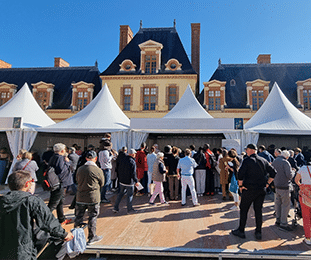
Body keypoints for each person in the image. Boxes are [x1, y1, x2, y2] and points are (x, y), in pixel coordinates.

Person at [0, 170, 73, 259]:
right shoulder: (31, 201)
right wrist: (64, 234)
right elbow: (47, 221)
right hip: (22, 250)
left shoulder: (2, 201)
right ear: (27, 184)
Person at [231, 143, 276, 240]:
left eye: (247, 150)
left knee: (244, 209)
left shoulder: (247, 161)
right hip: (261, 190)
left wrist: (241, 186)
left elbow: (240, 174)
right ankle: (258, 232)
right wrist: (267, 184)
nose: (246, 151)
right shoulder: (263, 160)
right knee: (258, 210)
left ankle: (241, 230)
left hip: (249, 189)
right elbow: (273, 172)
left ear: (249, 150)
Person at [75, 150, 104, 245]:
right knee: (92, 216)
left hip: (80, 197)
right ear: (95, 158)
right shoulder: (98, 170)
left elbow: (76, 180)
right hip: (93, 197)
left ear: (86, 158)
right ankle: (92, 237)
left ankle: (75, 236)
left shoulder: (80, 169)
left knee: (79, 217)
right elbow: (102, 183)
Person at [48, 143, 73, 225]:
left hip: (56, 182)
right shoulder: (60, 158)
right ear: (62, 150)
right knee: (53, 203)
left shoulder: (53, 157)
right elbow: (61, 170)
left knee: (60, 202)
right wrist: (68, 163)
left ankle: (61, 219)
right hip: (59, 183)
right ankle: (44, 221)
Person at [272, 150, 294, 231]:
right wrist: (293, 172)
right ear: (287, 156)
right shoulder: (285, 162)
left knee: (277, 204)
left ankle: (278, 220)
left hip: (277, 185)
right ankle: (283, 223)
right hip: (284, 186)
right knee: (285, 205)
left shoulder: (274, 161)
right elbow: (289, 175)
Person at [113, 149, 139, 214]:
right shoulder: (132, 162)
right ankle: (129, 209)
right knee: (129, 195)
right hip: (129, 182)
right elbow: (133, 173)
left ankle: (115, 208)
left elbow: (119, 168)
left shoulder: (123, 159)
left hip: (122, 181)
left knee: (120, 194)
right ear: (133, 154)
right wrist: (136, 181)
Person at [295, 163, 311, 245]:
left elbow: (296, 180)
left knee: (306, 216)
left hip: (305, 195)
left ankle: (308, 238)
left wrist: (301, 185)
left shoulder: (303, 168)